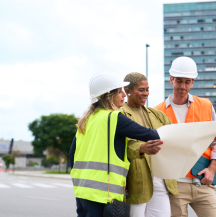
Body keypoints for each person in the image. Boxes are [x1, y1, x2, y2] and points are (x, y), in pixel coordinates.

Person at [69, 71, 161, 217]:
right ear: (107, 96)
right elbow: (150, 134)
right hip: (103, 196)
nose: (124, 94)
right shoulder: (114, 118)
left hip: (82, 192)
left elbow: (71, 156)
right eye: (119, 92)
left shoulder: (86, 120)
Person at [155, 56, 216, 217]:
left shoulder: (206, 106)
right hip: (174, 187)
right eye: (179, 81)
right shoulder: (157, 112)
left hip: (203, 183)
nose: (183, 86)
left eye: (187, 81)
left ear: (192, 82)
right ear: (171, 79)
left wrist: (212, 169)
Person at [122, 72, 178, 217]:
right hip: (137, 179)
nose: (146, 93)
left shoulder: (156, 114)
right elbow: (119, 145)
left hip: (161, 177)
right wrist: (140, 148)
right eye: (141, 90)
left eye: (147, 89)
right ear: (127, 91)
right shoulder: (120, 114)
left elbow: (174, 133)